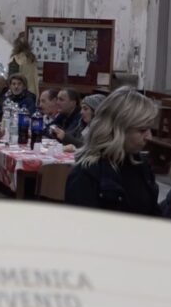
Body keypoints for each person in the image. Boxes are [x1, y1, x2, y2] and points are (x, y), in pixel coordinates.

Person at [64, 87, 162, 216]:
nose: (149, 137)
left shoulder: (141, 166)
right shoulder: (85, 174)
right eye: (142, 130)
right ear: (118, 129)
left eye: (150, 130)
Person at [8, 31, 39, 97]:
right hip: (32, 90)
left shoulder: (15, 59)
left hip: (20, 91)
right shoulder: (31, 58)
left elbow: (12, 77)